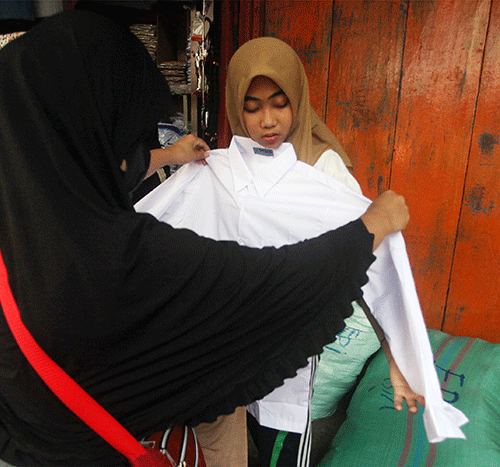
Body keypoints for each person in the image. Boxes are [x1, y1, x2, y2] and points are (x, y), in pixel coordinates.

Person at [0, 11, 409, 466]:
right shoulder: (124, 260)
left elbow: (92, 180)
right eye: (125, 135)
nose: (267, 119)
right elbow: (271, 282)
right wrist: (374, 225)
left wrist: (169, 155)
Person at [136, 36, 426, 467]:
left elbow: (364, 261)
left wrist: (398, 357)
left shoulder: (324, 170)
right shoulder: (215, 169)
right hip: (225, 348)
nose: (267, 121)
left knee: (281, 448)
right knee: (232, 432)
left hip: (287, 346)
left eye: (279, 103)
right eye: (251, 108)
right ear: (236, 107)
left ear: (298, 99)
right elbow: (155, 226)